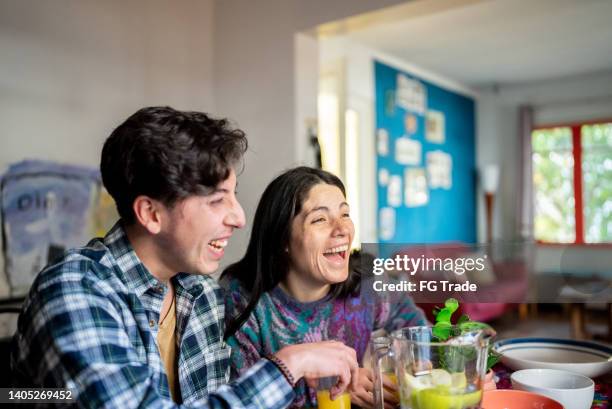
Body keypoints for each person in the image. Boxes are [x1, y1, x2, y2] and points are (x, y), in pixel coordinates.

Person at [10, 107, 358, 408]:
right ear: (151, 214)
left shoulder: (200, 293)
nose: (238, 217)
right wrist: (287, 366)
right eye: (216, 200)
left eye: (233, 196)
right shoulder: (75, 291)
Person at [222, 167, 427, 409]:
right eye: (319, 219)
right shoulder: (242, 300)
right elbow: (240, 400)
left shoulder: (367, 284)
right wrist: (342, 385)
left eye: (345, 214)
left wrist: (422, 367)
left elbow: (418, 332)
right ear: (282, 239)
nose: (341, 229)